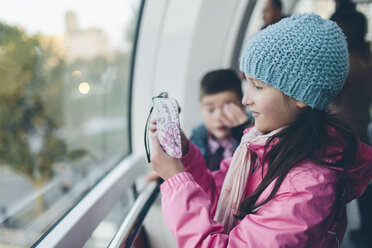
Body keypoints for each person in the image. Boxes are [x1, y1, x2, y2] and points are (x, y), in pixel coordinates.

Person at [149, 13, 372, 247]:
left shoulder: (308, 189)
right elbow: (220, 195)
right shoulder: (260, 148)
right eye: (247, 84)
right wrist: (184, 157)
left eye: (258, 86)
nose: (245, 99)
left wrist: (175, 179)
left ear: (301, 95)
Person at [329, 9, 372, 246]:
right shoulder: (367, 56)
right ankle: (366, 229)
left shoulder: (348, 64)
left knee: (337, 188)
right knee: (364, 184)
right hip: (360, 125)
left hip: (342, 132)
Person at [190, 69, 252, 171]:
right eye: (211, 110)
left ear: (243, 105)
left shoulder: (257, 136)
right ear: (201, 108)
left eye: (228, 108)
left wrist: (244, 132)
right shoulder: (194, 141)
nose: (219, 117)